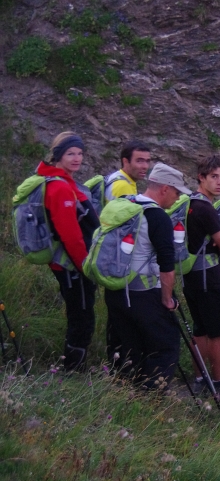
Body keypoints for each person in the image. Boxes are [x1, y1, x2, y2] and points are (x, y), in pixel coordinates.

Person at [104, 162, 187, 389]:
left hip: (115, 290)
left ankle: (125, 395)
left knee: (130, 347)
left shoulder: (126, 204)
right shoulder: (157, 216)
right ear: (165, 189)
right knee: (166, 345)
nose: (178, 198)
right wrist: (167, 299)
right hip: (142, 293)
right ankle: (150, 399)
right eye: (177, 192)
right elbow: (166, 266)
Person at [39, 132, 100, 371]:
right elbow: (70, 235)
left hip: (68, 263)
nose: (77, 158)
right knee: (82, 316)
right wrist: (86, 266)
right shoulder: (60, 188)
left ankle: (74, 364)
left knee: (79, 312)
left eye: (80, 153)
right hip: (72, 265)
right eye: (70, 153)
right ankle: (74, 369)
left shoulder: (61, 182)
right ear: (57, 156)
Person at [184, 155, 220, 393]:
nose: (219, 182)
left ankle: (198, 380)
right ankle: (218, 382)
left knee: (200, 330)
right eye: (214, 176)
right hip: (210, 278)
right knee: (217, 333)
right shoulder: (206, 209)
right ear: (201, 177)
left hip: (191, 276)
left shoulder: (188, 203)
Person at [104, 140, 151, 363]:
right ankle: (120, 365)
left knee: (116, 317)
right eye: (139, 160)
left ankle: (117, 362)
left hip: (112, 255)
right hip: (117, 258)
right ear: (125, 161)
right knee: (120, 318)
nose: (145, 166)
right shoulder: (122, 186)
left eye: (147, 161)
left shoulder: (121, 180)